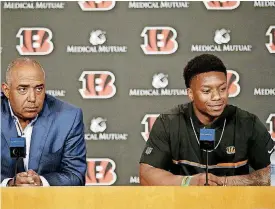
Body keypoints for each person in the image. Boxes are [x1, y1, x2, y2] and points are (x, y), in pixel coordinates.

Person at [139, 54, 275, 186]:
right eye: (206, 91)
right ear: (191, 94)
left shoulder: (247, 123)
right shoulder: (169, 123)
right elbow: (146, 174)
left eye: (222, 89)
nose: (217, 97)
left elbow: (273, 173)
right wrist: (189, 182)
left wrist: (225, 182)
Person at [1, 57, 87, 186]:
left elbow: (75, 175)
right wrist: (9, 184)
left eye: (39, 88)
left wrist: (41, 182)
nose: (32, 98)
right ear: (6, 90)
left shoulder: (68, 118)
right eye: (23, 89)